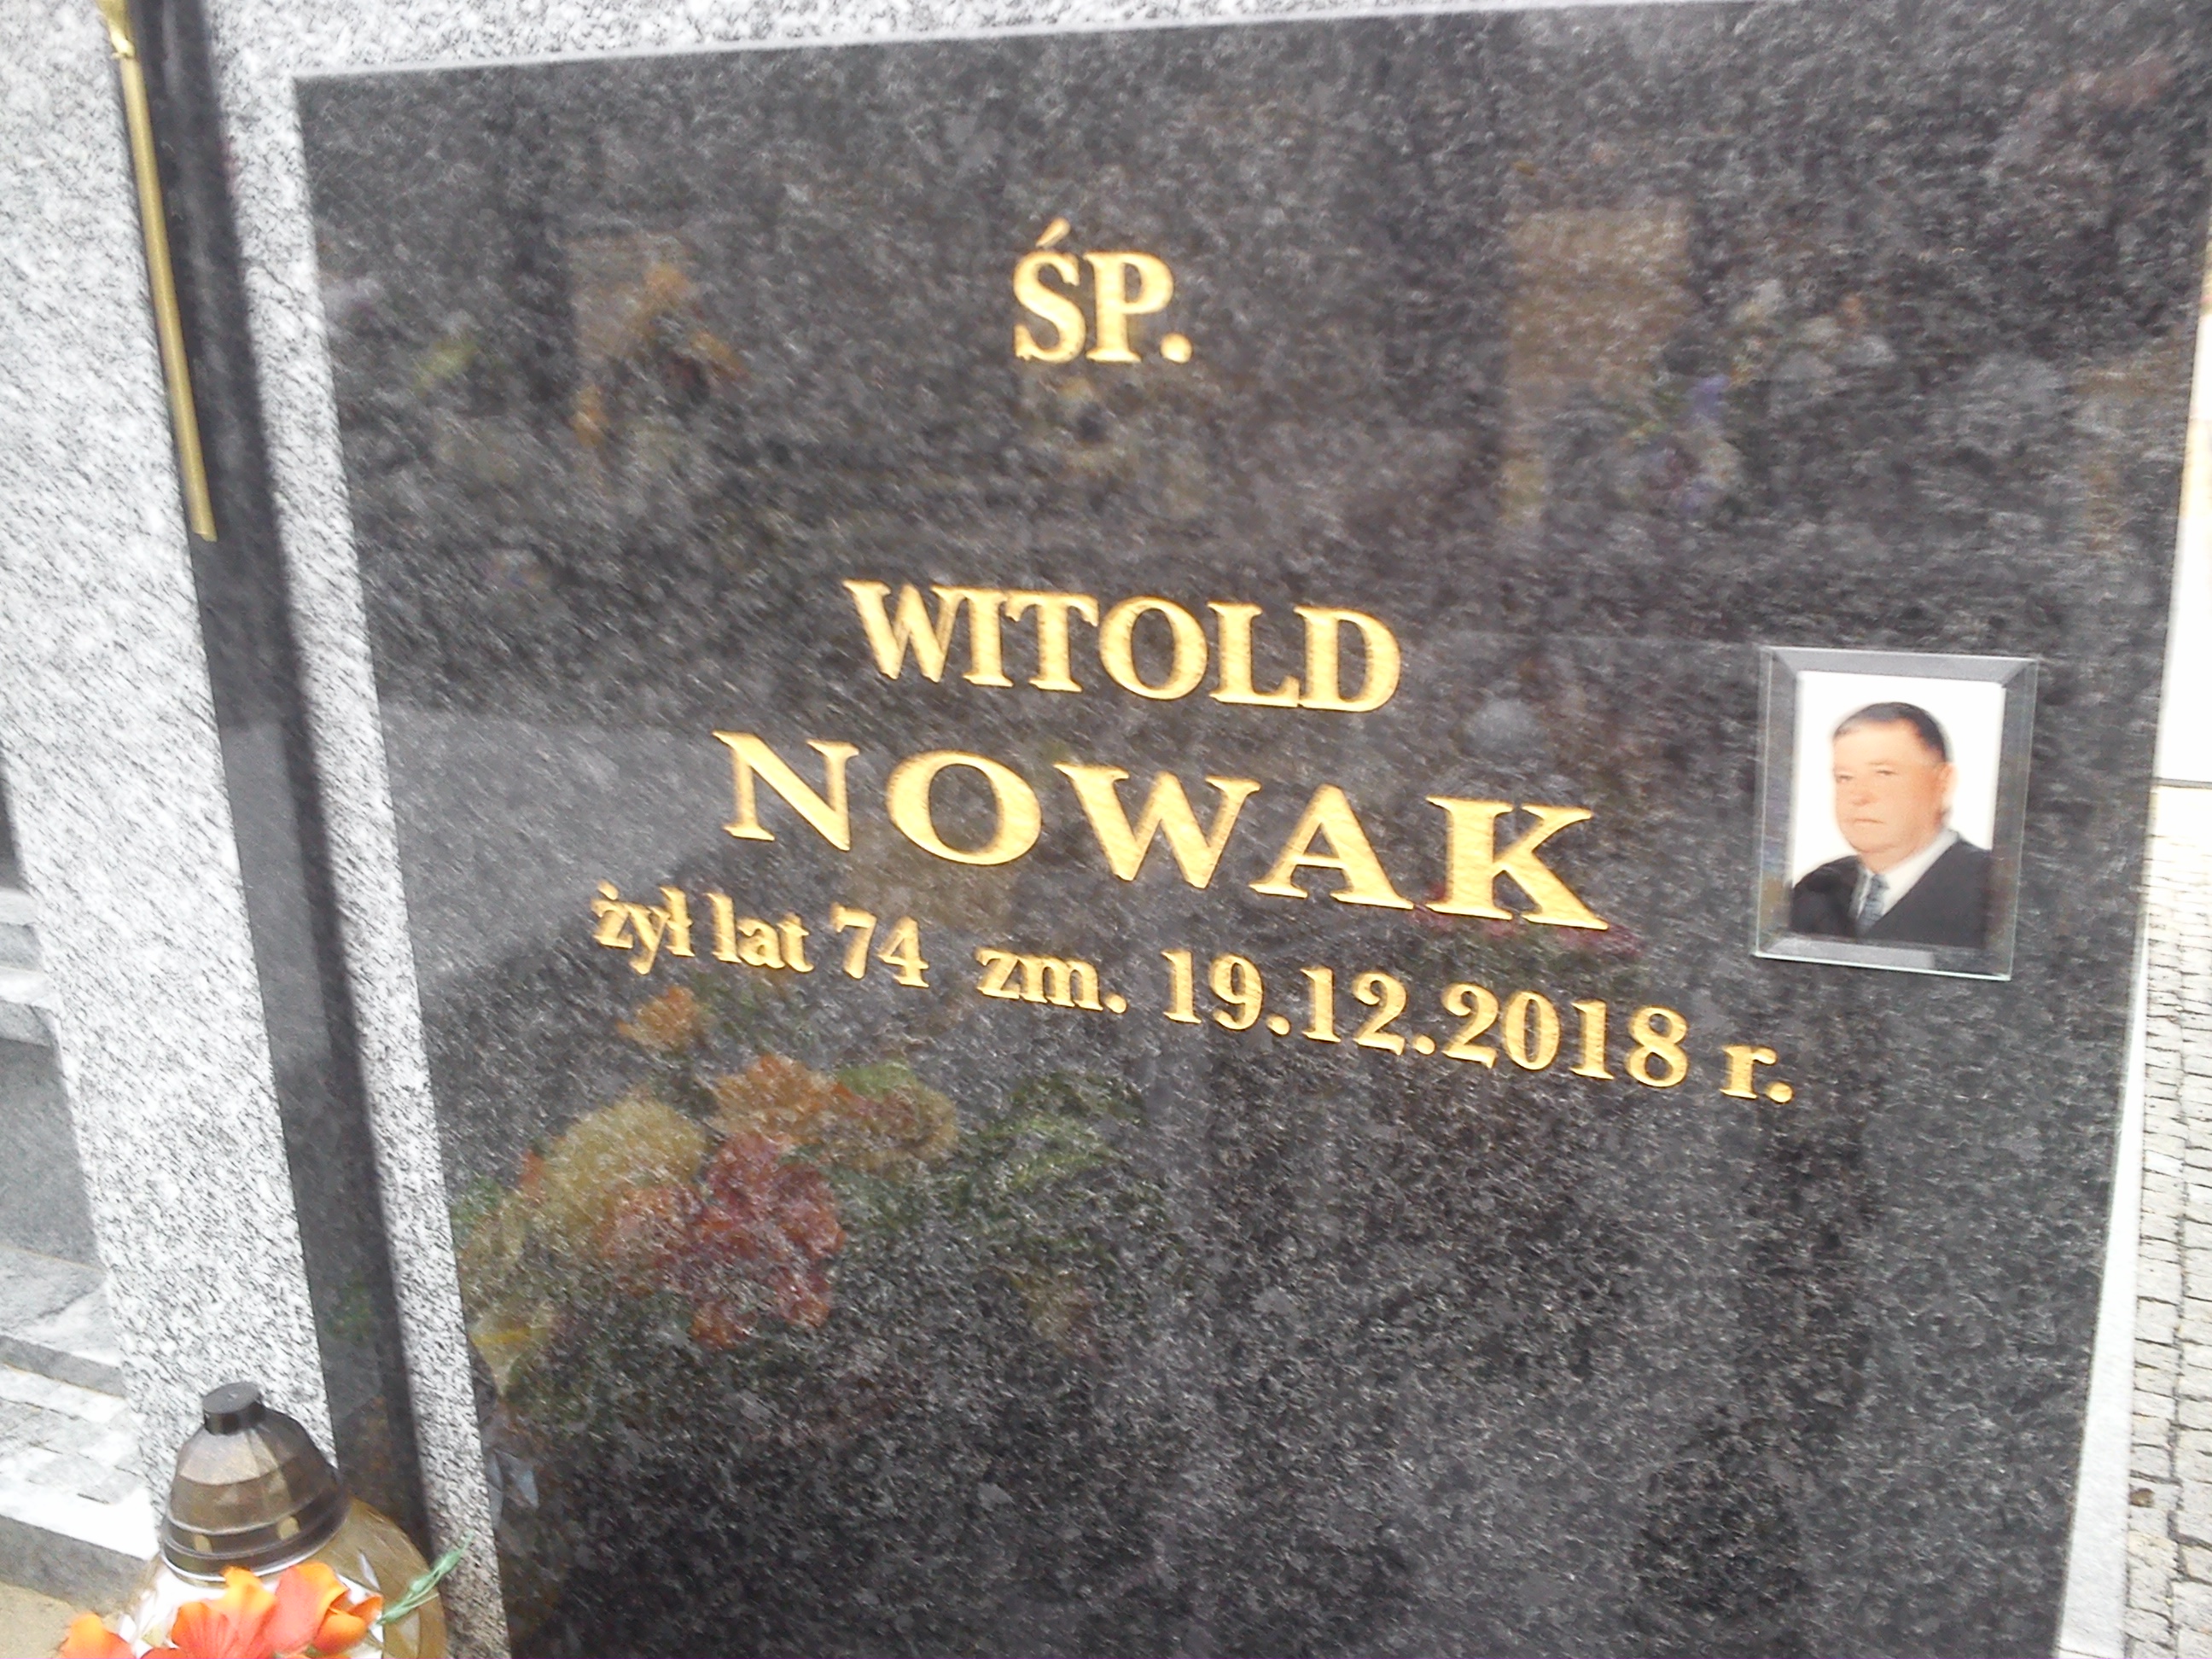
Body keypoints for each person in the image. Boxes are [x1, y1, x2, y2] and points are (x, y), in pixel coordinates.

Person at [1788, 701, 1990, 949]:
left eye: (1883, 773)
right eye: (1844, 777)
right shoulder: (1817, 889)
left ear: (1943, 783)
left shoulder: (1996, 892)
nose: (1858, 796)